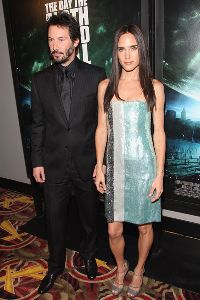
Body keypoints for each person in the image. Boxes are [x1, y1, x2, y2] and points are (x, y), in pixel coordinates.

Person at [31, 12, 106, 294]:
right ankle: (54, 266)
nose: (55, 45)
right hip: (53, 164)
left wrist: (101, 163)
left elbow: (102, 124)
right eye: (51, 40)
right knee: (54, 219)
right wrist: (36, 161)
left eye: (61, 39)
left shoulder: (97, 76)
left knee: (89, 215)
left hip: (86, 163)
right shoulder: (38, 80)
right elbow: (37, 124)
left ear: (75, 41)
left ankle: (88, 254)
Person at [95, 24, 165, 298]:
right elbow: (102, 129)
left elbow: (158, 132)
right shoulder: (106, 87)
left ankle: (138, 268)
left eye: (133, 48)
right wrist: (99, 164)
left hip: (145, 165)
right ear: (116, 53)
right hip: (115, 169)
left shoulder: (154, 87)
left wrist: (159, 173)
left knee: (145, 226)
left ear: (141, 50)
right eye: (121, 49)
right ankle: (121, 265)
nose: (127, 55)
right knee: (113, 230)